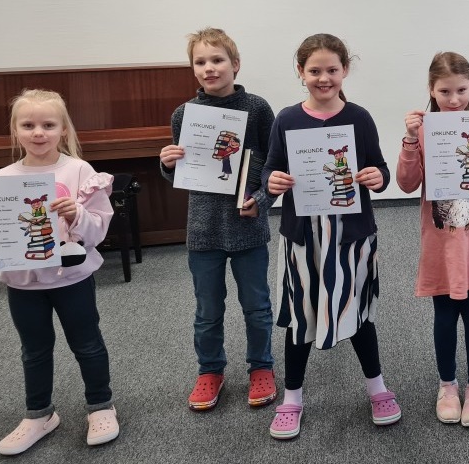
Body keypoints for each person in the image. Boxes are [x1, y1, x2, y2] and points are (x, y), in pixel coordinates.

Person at [262, 33, 400, 439]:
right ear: (301, 72)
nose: (324, 78)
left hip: (351, 236)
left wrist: (377, 177)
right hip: (303, 236)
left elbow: (379, 168)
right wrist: (273, 181)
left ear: (345, 70)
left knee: (356, 311)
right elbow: (269, 168)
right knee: (301, 315)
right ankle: (292, 398)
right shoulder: (287, 119)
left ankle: (377, 388)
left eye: (332, 70)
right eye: (314, 71)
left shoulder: (359, 117)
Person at [0, 89, 119, 455]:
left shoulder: (79, 171)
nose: (38, 132)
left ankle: (101, 405)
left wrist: (77, 214)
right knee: (34, 350)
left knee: (87, 343)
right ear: (15, 130)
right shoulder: (2, 178)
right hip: (23, 284)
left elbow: (98, 231)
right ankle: (39, 414)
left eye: (49, 125)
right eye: (28, 125)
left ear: (63, 129)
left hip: (72, 279)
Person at [159, 27, 277, 411]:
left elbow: (273, 165)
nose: (209, 68)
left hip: (248, 226)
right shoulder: (184, 115)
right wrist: (168, 164)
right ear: (193, 68)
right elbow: (184, 174)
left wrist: (262, 200)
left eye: (217, 60)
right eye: (200, 62)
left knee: (257, 306)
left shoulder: (257, 109)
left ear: (235, 64)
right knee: (207, 310)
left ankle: (261, 366)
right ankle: (210, 370)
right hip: (204, 229)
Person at [397, 52, 469, 427]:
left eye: (461, 90)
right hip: (439, 239)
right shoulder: (424, 129)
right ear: (431, 89)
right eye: (445, 91)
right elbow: (406, 183)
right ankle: (447, 385)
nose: (453, 99)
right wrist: (410, 139)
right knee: (445, 315)